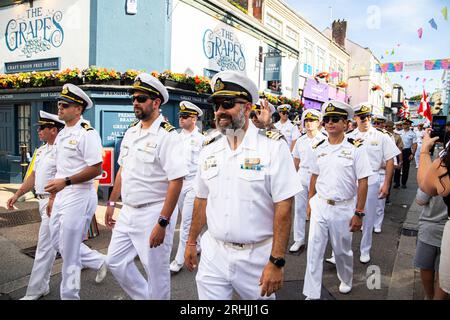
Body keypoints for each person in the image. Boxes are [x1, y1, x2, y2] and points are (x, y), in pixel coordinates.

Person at [184, 70, 301, 300]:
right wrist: (190, 241)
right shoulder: (209, 148)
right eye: (216, 105)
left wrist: (277, 261)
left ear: (247, 108)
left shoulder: (273, 148)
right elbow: (201, 198)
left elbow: (284, 206)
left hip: (256, 257)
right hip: (214, 253)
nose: (219, 111)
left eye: (227, 103)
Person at [104, 73, 188, 299]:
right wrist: (111, 203)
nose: (135, 103)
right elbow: (122, 170)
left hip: (153, 212)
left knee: (157, 274)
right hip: (128, 211)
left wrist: (163, 222)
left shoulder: (167, 136)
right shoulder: (132, 132)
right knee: (115, 261)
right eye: (133, 98)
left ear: (156, 102)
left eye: (140, 98)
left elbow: (176, 181)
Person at [303, 100, 372, 299]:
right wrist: (310, 201)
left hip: (343, 207)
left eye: (335, 119)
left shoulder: (356, 148)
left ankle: (346, 278)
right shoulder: (318, 146)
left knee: (342, 251)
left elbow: (363, 182)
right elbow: (314, 176)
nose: (330, 123)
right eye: (327, 120)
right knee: (314, 250)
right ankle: (312, 292)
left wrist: (359, 213)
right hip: (320, 205)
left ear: (346, 123)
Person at [44, 84, 107, 300]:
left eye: (65, 105)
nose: (59, 108)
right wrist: (54, 196)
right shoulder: (63, 133)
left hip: (79, 194)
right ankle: (100, 261)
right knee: (56, 243)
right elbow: (60, 169)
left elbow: (96, 168)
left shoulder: (87, 133)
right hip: (62, 194)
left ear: (78, 109)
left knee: (69, 252)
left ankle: (70, 296)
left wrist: (66, 182)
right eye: (59, 104)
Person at [7, 111, 66, 300]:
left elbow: (63, 179)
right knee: (61, 245)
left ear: (54, 130)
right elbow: (32, 176)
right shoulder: (41, 150)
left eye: (42, 128)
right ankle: (101, 261)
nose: (39, 131)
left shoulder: (62, 151)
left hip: (54, 202)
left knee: (45, 247)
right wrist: (17, 194)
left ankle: (35, 291)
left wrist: (53, 199)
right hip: (42, 201)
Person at [347, 103, 399, 263]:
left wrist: (386, 184)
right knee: (346, 215)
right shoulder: (348, 135)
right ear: (355, 118)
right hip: (351, 180)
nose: (366, 120)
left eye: (368, 117)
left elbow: (390, 160)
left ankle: (365, 249)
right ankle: (343, 250)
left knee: (368, 216)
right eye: (362, 117)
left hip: (372, 180)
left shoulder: (381, 136)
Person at [169, 101, 206, 273]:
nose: (181, 119)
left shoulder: (202, 139)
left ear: (194, 118)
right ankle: (197, 244)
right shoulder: (176, 137)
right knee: (186, 217)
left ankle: (179, 260)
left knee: (185, 223)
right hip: (178, 183)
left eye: (184, 117)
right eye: (180, 116)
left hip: (193, 183)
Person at [289, 109, 326, 253]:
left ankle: (316, 240)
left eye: (313, 120)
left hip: (319, 177)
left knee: (317, 211)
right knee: (299, 209)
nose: (309, 123)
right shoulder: (300, 140)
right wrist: (292, 178)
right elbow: (296, 161)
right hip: (302, 175)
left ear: (319, 123)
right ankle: (299, 239)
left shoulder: (324, 139)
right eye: (307, 121)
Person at [417, 129, 450, 295]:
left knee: (429, 267)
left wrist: (424, 152)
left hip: (431, 227)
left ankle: (429, 297)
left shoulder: (439, 168)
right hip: (441, 227)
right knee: (442, 273)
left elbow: (422, 196)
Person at [414, 189, 448, 300]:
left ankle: (429, 296)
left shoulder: (435, 172)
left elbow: (420, 199)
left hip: (430, 227)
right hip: (445, 229)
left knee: (426, 267)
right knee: (443, 271)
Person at [393, 119, 417, 189]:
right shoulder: (399, 132)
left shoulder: (412, 134)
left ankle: (403, 183)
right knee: (397, 167)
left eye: (406, 124)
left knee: (406, 168)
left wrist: (412, 154)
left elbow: (415, 144)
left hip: (407, 151)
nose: (404, 125)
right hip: (398, 151)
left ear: (409, 125)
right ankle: (396, 183)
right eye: (403, 124)